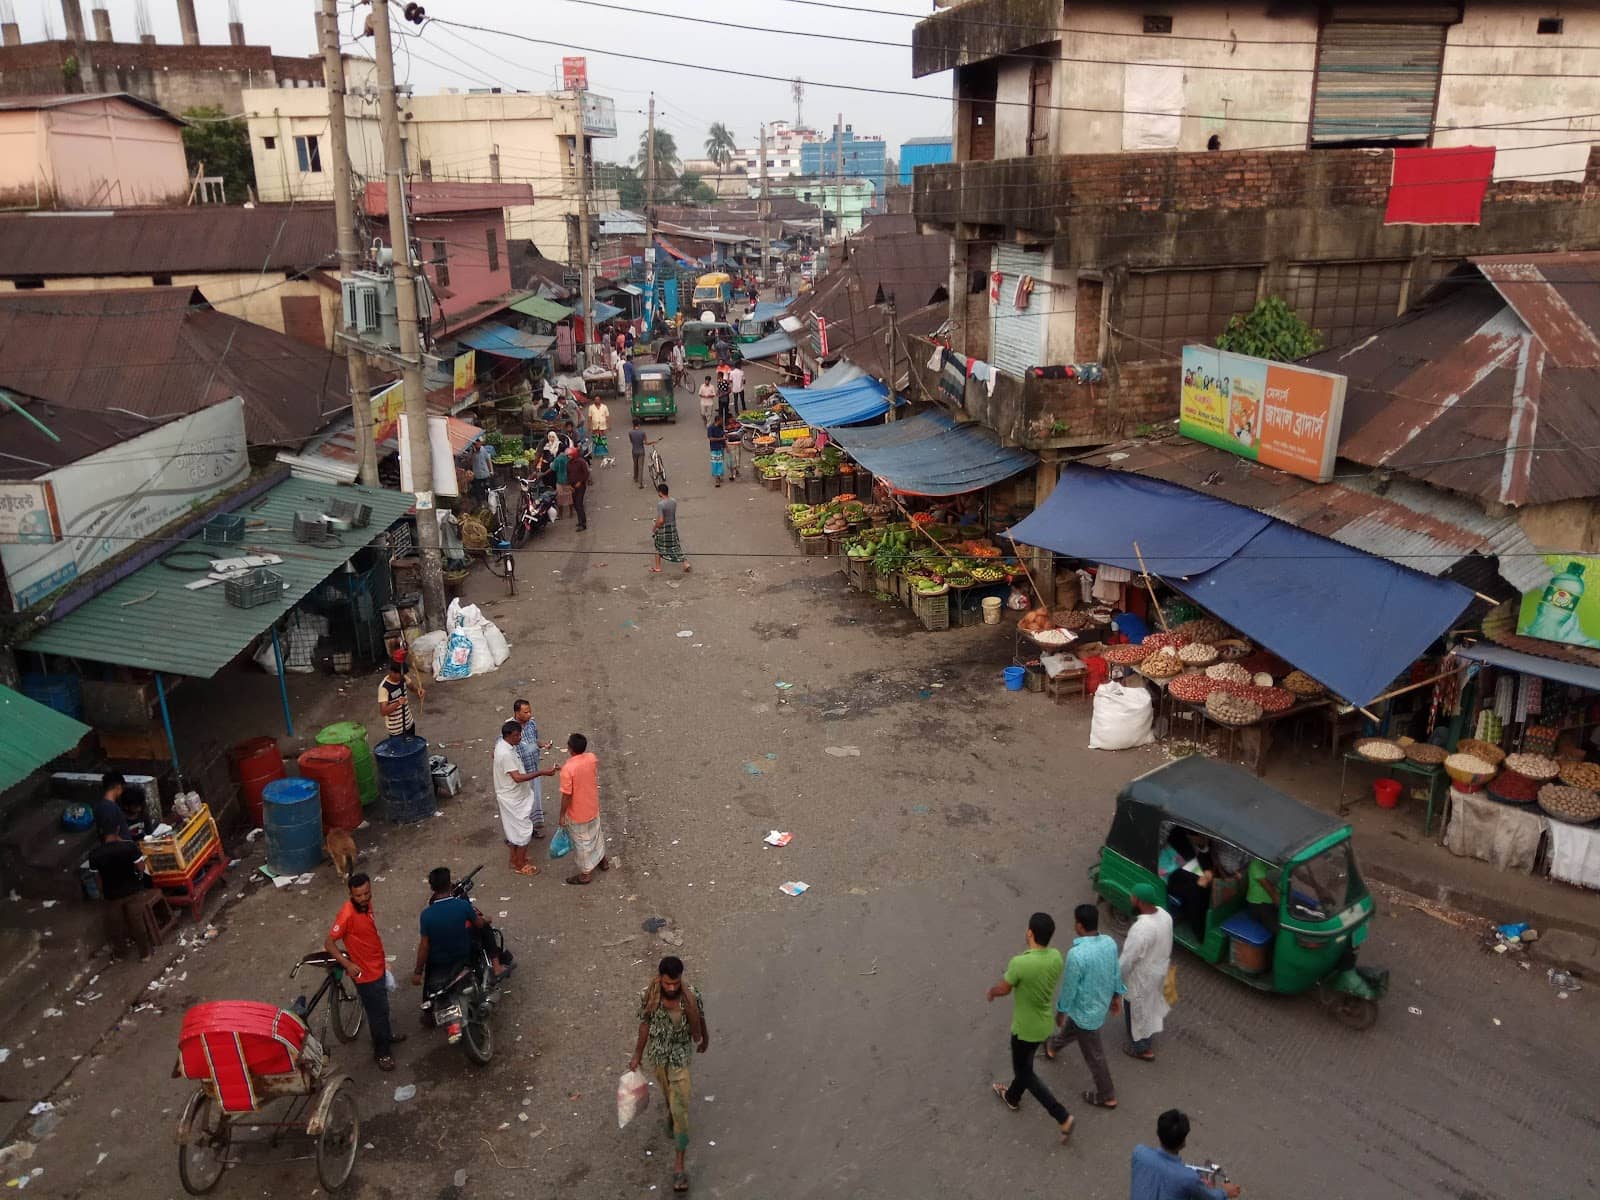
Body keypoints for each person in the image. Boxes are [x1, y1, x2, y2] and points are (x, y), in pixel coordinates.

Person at [985, 911, 1075, 1143]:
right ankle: (1013, 1096)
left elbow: (1005, 988)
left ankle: (1062, 1116)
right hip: (1044, 1024)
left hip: (1025, 1029)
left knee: (1024, 1072)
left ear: (1030, 933)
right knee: (1024, 1065)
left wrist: (992, 992)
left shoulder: (1020, 963)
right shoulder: (1055, 957)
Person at [628, 956, 709, 1195]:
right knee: (669, 1098)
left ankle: (679, 1168)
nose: (672, 988)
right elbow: (644, 1026)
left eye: (675, 983)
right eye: (667, 984)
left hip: (680, 1057)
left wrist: (705, 1038)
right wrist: (637, 1055)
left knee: (681, 1108)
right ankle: (671, 1114)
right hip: (658, 1057)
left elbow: (700, 1017)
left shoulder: (691, 996)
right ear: (660, 979)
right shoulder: (648, 996)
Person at [1045, 903, 1125, 1109]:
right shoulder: (1109, 942)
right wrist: (1116, 996)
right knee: (1075, 1027)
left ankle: (1107, 1095)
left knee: (1094, 1055)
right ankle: (1053, 1046)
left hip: (1086, 1013)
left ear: (1079, 926)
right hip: (1099, 1004)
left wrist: (1061, 1011)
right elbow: (1115, 970)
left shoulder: (1077, 954)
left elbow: (1070, 987)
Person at [325, 873, 404, 1071]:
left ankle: (386, 1035)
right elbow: (329, 943)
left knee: (383, 1007)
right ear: (351, 894)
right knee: (376, 1013)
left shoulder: (366, 906)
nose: (363, 898)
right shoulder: (347, 914)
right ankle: (382, 1052)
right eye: (358, 895)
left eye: (366, 893)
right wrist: (347, 964)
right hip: (365, 974)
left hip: (377, 966)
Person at [411, 866, 510, 996]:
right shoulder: (462, 906)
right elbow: (479, 924)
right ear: (449, 884)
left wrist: (418, 972)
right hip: (463, 955)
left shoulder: (426, 915)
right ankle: (496, 967)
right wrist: (486, 919)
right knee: (484, 928)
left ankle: (428, 1009)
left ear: (432, 888)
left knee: (429, 966)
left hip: (439, 960)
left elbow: (424, 946)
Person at [1131, 1109, 1241, 1200]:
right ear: (1183, 1143)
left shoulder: (1139, 1153)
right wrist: (1226, 1192)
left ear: (1158, 1133)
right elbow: (1211, 1197)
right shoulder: (1188, 1178)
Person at [1120, 882, 1174, 1062]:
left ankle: (1141, 1048)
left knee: (1136, 1009)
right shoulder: (1165, 915)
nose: (1131, 899)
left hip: (1143, 976)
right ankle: (1145, 1038)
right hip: (1159, 970)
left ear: (1139, 901)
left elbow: (1128, 959)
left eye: (1132, 897)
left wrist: (1117, 981)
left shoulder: (1141, 929)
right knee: (1148, 1005)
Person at [89, 815, 152, 962]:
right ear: (117, 829)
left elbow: (97, 878)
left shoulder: (95, 855)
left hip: (112, 896)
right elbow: (141, 868)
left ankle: (120, 954)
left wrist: (102, 892)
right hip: (133, 891)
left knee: (116, 926)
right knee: (137, 923)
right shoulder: (129, 847)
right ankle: (145, 954)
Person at [558, 732, 608, 885]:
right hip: (592, 806)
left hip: (577, 813)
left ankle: (585, 875)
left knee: (582, 844)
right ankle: (602, 860)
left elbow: (566, 795)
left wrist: (561, 815)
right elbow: (582, 770)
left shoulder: (568, 769)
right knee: (596, 835)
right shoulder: (591, 758)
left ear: (570, 748)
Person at [494, 720, 542, 877]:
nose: (519, 738)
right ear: (507, 736)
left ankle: (515, 858)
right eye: (516, 735)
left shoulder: (503, 746)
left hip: (513, 794)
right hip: (512, 797)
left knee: (514, 829)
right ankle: (520, 864)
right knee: (524, 831)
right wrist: (541, 773)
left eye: (519, 734)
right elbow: (517, 777)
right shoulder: (505, 753)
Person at [513, 698, 550, 839]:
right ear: (517, 712)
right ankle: (519, 835)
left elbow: (535, 741)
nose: (529, 714)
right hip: (521, 774)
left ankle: (531, 829)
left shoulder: (532, 723)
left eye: (530, 711)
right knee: (522, 804)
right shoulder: (510, 729)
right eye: (525, 712)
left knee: (532, 801)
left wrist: (543, 744)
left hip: (533, 768)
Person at [652, 483, 690, 574]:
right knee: (676, 546)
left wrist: (655, 527)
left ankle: (657, 567)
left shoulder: (661, 504)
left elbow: (661, 520)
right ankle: (685, 563)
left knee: (658, 546)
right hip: (673, 526)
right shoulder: (673, 501)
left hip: (664, 528)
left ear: (660, 492)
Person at [378, 650, 416, 740]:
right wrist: (397, 703)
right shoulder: (384, 687)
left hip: (409, 723)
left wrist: (418, 691)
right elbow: (383, 711)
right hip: (396, 731)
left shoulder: (403, 677)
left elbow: (412, 688)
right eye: (400, 675)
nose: (402, 677)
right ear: (392, 672)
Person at [95, 773, 134, 842]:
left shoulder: (102, 805)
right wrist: (130, 846)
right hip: (121, 850)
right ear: (118, 786)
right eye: (122, 788)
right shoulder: (109, 808)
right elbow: (110, 838)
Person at [568, 445, 591, 532]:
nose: (569, 456)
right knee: (575, 504)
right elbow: (568, 474)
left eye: (570, 455)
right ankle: (580, 520)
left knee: (579, 504)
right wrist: (569, 485)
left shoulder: (581, 462)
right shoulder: (569, 463)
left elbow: (586, 473)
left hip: (581, 486)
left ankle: (583, 524)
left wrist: (580, 482)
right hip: (572, 486)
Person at [629, 418, 656, 488]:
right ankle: (640, 483)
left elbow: (631, 441)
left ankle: (635, 478)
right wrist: (653, 442)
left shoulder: (630, 432)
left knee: (635, 465)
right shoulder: (642, 433)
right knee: (640, 467)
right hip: (641, 451)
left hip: (634, 451)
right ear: (639, 424)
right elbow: (646, 443)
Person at [706, 416, 726, 487]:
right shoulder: (710, 428)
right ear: (718, 420)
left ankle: (718, 476)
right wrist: (721, 439)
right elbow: (711, 439)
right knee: (715, 463)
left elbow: (723, 435)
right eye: (721, 420)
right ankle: (717, 478)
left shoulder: (720, 427)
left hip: (720, 447)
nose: (722, 422)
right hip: (714, 448)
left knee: (720, 462)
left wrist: (725, 445)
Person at [723, 416, 742, 482]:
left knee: (737, 458)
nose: (732, 420)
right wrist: (726, 446)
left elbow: (741, 432)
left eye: (733, 418)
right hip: (730, 445)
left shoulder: (738, 425)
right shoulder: (727, 427)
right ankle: (731, 474)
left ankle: (736, 470)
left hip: (738, 444)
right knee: (731, 460)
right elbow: (725, 435)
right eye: (730, 419)